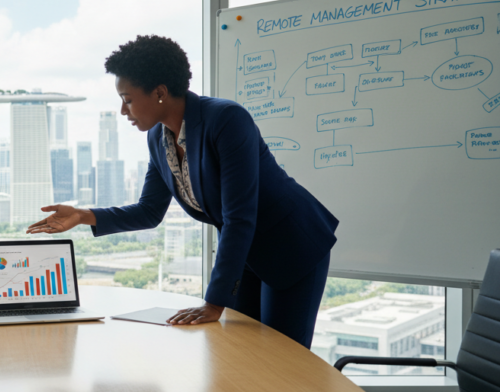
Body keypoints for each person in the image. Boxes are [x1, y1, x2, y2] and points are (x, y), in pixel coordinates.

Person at [27, 35, 338, 348]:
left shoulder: (227, 120)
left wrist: (213, 303)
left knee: (283, 358)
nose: (123, 110)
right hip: (245, 254)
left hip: (291, 243)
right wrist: (83, 216)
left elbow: (240, 216)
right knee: (242, 352)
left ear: (160, 92)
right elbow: (149, 211)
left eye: (128, 99)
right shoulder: (158, 140)